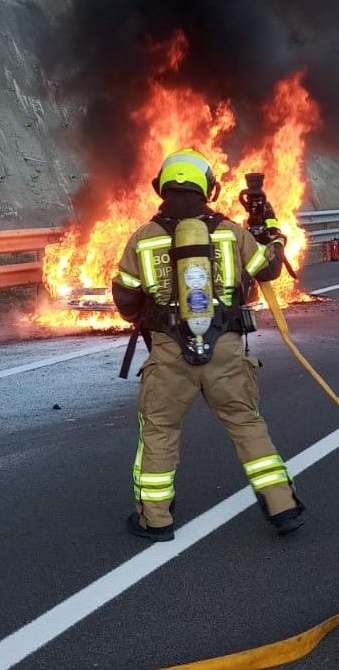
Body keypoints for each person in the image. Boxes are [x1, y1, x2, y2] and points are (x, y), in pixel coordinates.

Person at [110, 148, 305, 541]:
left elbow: (125, 300)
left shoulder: (143, 238)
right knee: (246, 424)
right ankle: (282, 507)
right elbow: (268, 269)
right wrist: (274, 234)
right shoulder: (231, 231)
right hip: (226, 351)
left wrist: (153, 316)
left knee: (160, 430)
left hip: (169, 355)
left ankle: (155, 520)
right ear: (209, 189)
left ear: (160, 187)